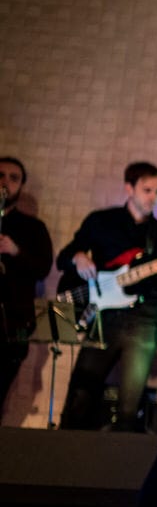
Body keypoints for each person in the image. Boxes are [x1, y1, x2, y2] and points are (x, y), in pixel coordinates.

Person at [56, 161, 157, 432]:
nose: (152, 197)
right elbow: (63, 258)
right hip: (102, 318)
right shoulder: (100, 221)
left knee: (130, 409)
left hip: (144, 321)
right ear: (129, 188)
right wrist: (79, 257)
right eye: (147, 190)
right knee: (80, 398)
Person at [0, 156, 54, 420]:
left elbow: (43, 269)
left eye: (13, 178)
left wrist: (15, 250)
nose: (6, 182)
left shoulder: (33, 228)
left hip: (12, 323)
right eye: (1, 175)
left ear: (21, 186)